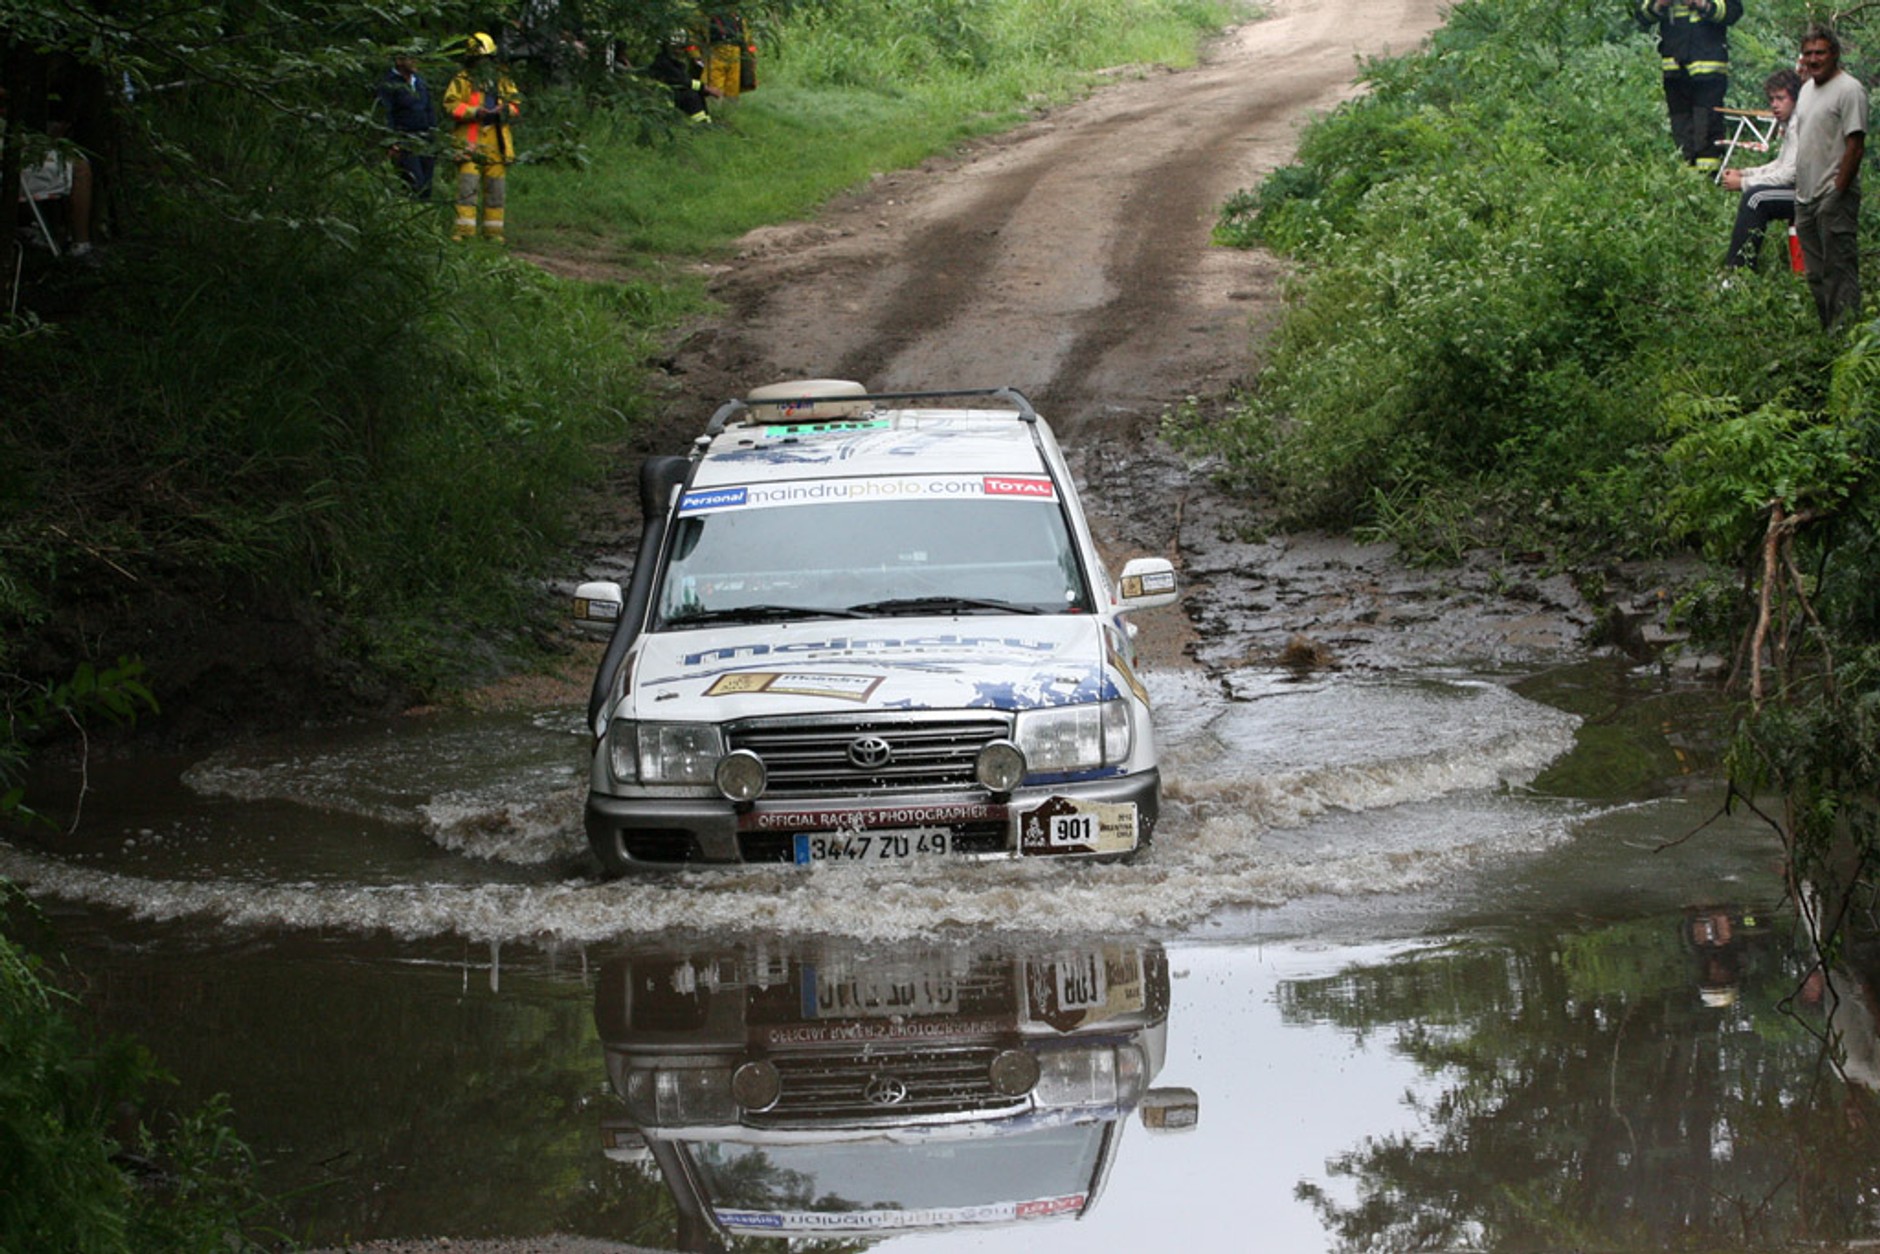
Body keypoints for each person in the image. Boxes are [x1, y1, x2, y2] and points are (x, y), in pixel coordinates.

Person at [1791, 26, 1868, 329]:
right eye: (1808, 53)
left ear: (1834, 54)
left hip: (1834, 195)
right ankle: (1827, 338)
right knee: (1815, 274)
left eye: (1820, 52)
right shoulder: (1807, 89)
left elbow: (1855, 145)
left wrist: (1838, 191)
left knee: (1839, 271)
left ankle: (1850, 343)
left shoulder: (1850, 90)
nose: (1813, 59)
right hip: (1805, 198)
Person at [1635, 0, 1743, 173]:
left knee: (1706, 128)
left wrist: (1702, 4)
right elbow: (1642, 14)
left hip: (1709, 71)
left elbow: (1733, 12)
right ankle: (1687, 179)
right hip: (1674, 68)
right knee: (1681, 127)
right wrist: (1659, 4)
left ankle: (1708, 181)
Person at [443, 32, 521, 243]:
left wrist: (503, 110)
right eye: (480, 59)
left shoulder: (503, 80)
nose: (484, 64)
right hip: (470, 141)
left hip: (497, 141)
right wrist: (475, 112)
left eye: (488, 59)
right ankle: (463, 232)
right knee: (467, 188)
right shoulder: (462, 80)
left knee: (496, 190)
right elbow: (451, 106)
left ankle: (493, 233)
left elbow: (515, 106)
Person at [1720, 68, 1801, 268]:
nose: (1774, 105)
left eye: (1780, 98)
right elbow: (1780, 164)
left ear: (1795, 98)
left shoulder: (1801, 123)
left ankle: (1738, 271)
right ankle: (1736, 268)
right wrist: (1745, 172)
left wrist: (1743, 183)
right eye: (1772, 99)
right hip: (1801, 187)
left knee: (1756, 198)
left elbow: (1789, 175)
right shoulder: (1790, 123)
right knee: (1755, 195)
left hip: (1813, 194)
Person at [377, 50, 436, 199]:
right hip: (405, 139)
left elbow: (429, 109)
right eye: (411, 58)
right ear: (399, 60)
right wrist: (392, 141)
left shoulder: (420, 82)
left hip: (425, 139)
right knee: (414, 182)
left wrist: (435, 136)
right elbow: (386, 113)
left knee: (426, 186)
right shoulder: (389, 84)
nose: (415, 62)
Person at [650, 34, 720, 124]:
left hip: (671, 92)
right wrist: (706, 89)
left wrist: (703, 89)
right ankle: (702, 124)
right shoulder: (663, 62)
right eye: (676, 48)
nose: (680, 51)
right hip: (665, 95)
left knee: (697, 92)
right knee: (691, 95)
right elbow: (683, 80)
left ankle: (707, 123)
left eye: (682, 48)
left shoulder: (674, 61)